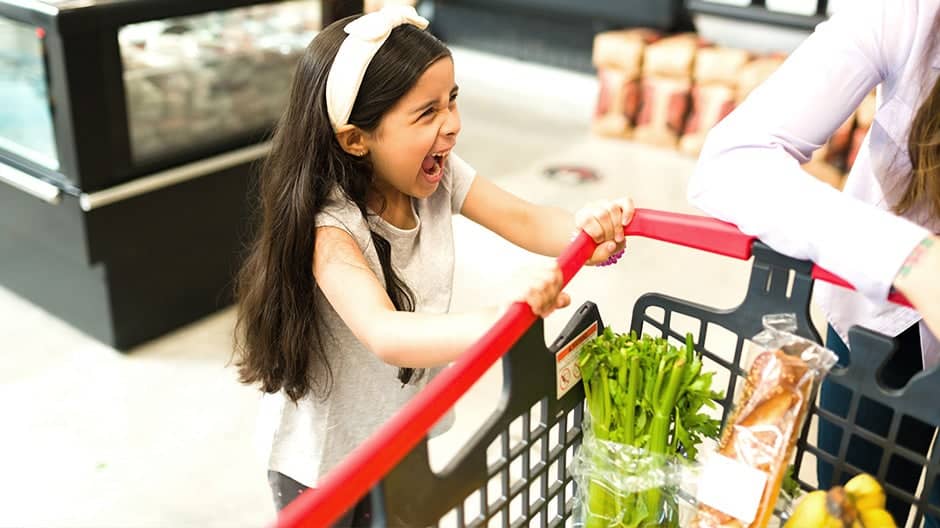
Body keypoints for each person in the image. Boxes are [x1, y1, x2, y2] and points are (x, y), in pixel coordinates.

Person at [231, 6, 633, 522]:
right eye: (428, 113)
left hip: (399, 435)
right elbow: (386, 333)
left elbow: (526, 219)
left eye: (453, 101)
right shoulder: (330, 228)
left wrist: (589, 233)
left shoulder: (437, 178)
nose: (454, 125)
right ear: (357, 139)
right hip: (323, 463)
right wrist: (502, 317)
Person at [689, 0, 940, 524]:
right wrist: (912, 260)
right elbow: (731, 161)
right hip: (882, 322)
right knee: (847, 504)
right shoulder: (909, 13)